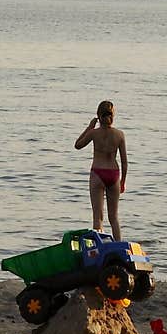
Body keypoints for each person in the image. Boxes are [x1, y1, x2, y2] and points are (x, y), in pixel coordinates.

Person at [74, 100, 127, 240]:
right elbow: (124, 161)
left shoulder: (94, 133)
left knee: (98, 217)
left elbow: (77, 145)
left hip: (98, 173)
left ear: (98, 115)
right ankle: (117, 248)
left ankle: (99, 251)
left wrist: (89, 127)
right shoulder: (120, 135)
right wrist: (123, 181)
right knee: (114, 217)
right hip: (114, 174)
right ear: (113, 115)